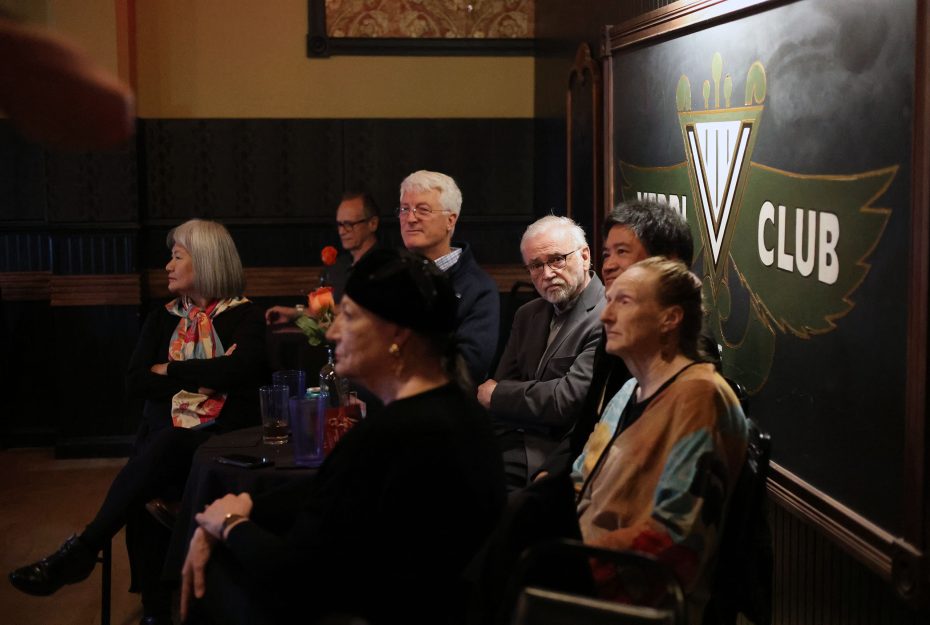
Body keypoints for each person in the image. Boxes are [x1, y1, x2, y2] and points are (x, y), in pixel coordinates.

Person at [179, 248, 506, 625]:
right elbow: (332, 491)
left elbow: (296, 577)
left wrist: (229, 526)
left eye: (348, 316)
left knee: (217, 571)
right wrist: (247, 505)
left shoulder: (395, 434)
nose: (332, 331)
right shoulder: (459, 414)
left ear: (397, 332)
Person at [9, 219, 267, 625]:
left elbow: (239, 372)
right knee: (153, 472)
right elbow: (136, 382)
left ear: (206, 262)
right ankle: (154, 607)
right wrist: (205, 373)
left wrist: (171, 369)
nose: (167, 265)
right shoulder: (161, 318)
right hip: (166, 446)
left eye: (177, 256)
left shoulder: (246, 318)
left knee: (157, 453)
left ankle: (84, 551)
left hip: (220, 445)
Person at [577, 257, 748, 622]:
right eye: (607, 301)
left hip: (637, 601)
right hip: (576, 572)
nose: (605, 317)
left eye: (623, 302)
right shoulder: (627, 391)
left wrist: (567, 559)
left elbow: (674, 539)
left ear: (670, 318)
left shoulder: (701, 398)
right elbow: (580, 479)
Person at [537, 199, 698, 480]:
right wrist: (548, 475)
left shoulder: (691, 377)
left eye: (621, 252)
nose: (608, 265)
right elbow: (591, 424)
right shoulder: (619, 334)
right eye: (606, 253)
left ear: (665, 262)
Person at [478, 215, 605, 489]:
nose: (547, 274)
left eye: (557, 259)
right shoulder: (528, 314)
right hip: (510, 438)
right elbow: (504, 387)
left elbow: (565, 402)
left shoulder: (606, 316)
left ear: (584, 256)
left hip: (557, 453)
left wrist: (500, 395)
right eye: (536, 265)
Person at [398, 170, 499, 385]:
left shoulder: (480, 289)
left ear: (450, 220)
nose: (410, 218)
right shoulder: (390, 277)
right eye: (405, 209)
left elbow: (468, 367)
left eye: (422, 210)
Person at [264, 190, 380, 325]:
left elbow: (361, 311)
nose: (342, 231)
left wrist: (297, 313)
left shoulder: (386, 265)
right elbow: (323, 313)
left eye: (349, 224)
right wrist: (295, 315)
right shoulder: (337, 267)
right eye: (339, 225)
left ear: (373, 223)